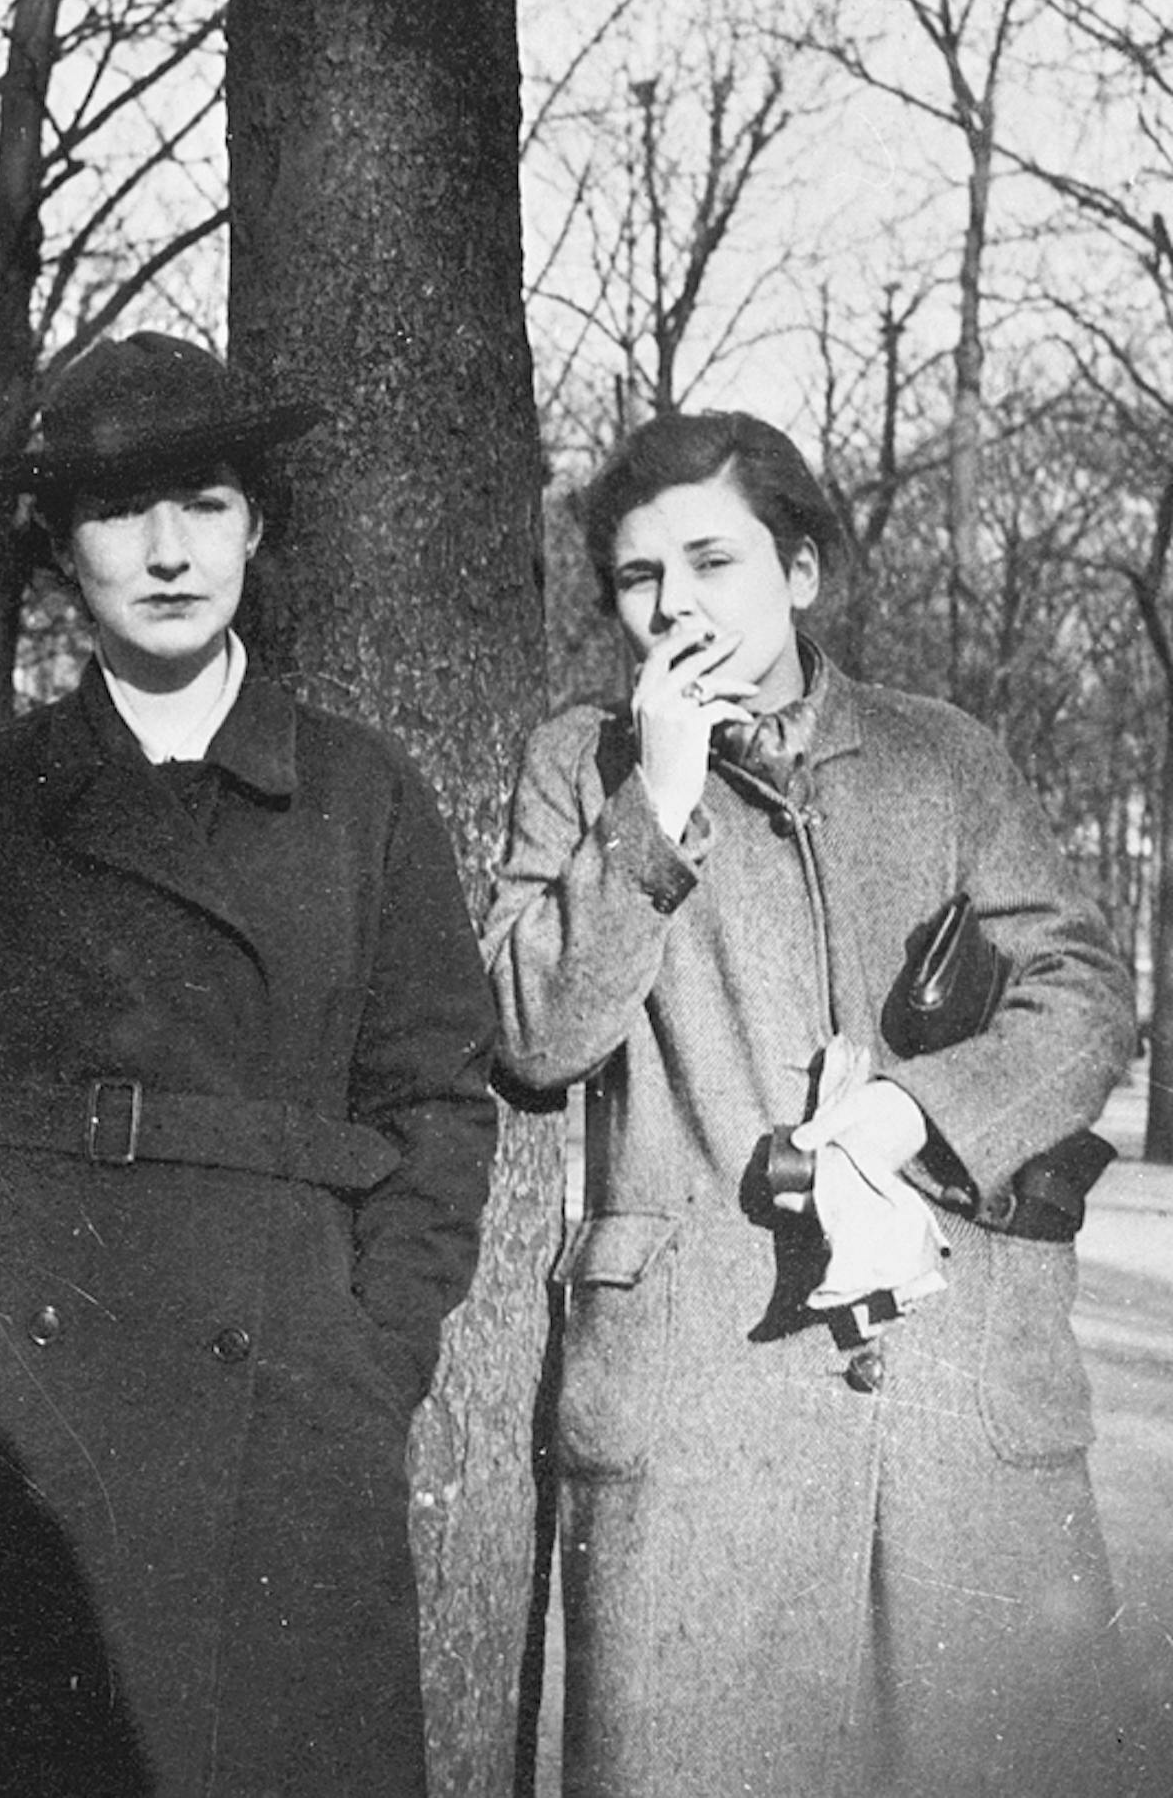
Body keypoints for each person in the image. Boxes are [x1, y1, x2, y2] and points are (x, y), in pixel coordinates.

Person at [0, 332, 497, 1798]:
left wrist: (371, 1359)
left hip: (282, 1418)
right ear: (63, 549)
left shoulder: (362, 794)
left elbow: (434, 1102)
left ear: (258, 527)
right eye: (119, 510)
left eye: (207, 499)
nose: (168, 549)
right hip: (15, 1413)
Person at [483, 411, 1140, 1798]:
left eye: (713, 561)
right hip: (704, 1402)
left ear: (801, 572)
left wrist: (917, 1111)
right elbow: (537, 1031)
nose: (677, 606)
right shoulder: (580, 765)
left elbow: (1084, 992)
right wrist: (655, 802)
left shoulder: (943, 757)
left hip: (962, 1408)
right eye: (639, 578)